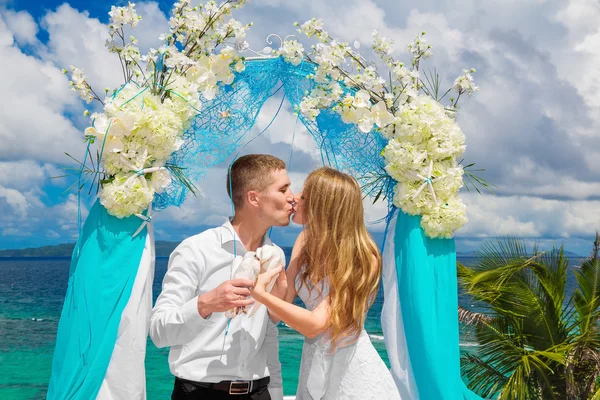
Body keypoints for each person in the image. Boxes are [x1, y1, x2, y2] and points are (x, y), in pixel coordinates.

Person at [149, 154, 293, 400]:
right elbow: (159, 332)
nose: (293, 197)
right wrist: (207, 303)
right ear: (253, 198)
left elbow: (268, 333)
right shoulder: (196, 249)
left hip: (259, 393)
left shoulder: (276, 256)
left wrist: (276, 392)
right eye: (283, 189)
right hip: (198, 394)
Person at [251, 167, 401, 400]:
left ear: (322, 205)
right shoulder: (305, 239)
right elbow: (283, 302)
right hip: (312, 360)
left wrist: (260, 294)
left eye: (304, 196)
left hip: (350, 372)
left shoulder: (363, 257)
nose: (295, 198)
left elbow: (315, 324)